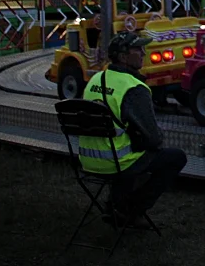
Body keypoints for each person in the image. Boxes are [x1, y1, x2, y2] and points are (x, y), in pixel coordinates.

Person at [79, 31, 187, 223]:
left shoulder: (95, 80)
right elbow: (154, 138)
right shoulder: (134, 88)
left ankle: (115, 204)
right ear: (123, 56)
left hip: (88, 160)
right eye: (138, 49)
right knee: (175, 157)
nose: (144, 53)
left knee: (135, 148)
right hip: (117, 162)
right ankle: (129, 209)